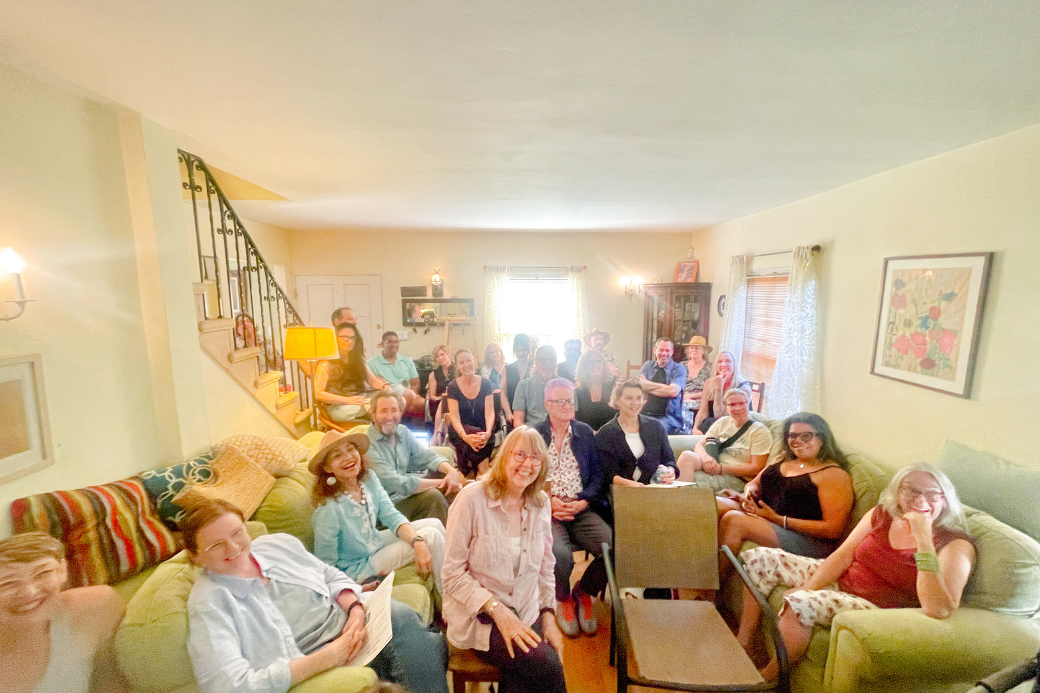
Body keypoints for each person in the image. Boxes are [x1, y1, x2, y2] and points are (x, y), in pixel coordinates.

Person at [736, 463, 976, 682]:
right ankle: (744, 642)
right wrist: (809, 585)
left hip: (876, 605)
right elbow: (844, 554)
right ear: (898, 492)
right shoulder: (882, 514)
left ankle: (764, 681)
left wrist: (924, 538)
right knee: (762, 558)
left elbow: (939, 608)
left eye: (932, 493)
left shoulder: (955, 544)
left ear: (945, 499)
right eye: (910, 490)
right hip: (846, 579)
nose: (920, 499)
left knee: (800, 603)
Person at [184, 499, 448, 693]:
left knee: (406, 621)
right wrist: (330, 655)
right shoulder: (209, 604)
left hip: (350, 627)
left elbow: (329, 574)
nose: (233, 547)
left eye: (237, 533)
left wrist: (355, 610)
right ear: (195, 556)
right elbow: (230, 686)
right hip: (314, 659)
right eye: (216, 545)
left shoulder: (276, 545)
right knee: (420, 649)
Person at [441, 427, 567, 693]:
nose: (527, 464)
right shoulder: (471, 499)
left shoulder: (540, 502)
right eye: (520, 454)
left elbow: (546, 566)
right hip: (481, 618)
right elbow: (451, 574)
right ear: (504, 457)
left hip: (526, 610)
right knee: (548, 666)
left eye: (536, 458)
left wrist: (548, 616)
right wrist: (498, 610)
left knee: (523, 678)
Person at [309, 431, 446, 595]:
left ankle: (454, 578)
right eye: (337, 455)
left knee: (435, 524)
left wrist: (416, 541)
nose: (348, 458)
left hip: (375, 543)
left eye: (350, 449)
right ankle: (449, 600)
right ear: (327, 468)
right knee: (431, 536)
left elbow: (391, 515)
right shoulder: (328, 510)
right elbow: (326, 565)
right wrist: (350, 589)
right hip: (357, 568)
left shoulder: (368, 479)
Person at [716, 413, 854, 560]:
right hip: (766, 515)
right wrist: (747, 495)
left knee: (734, 521)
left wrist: (777, 519)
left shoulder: (833, 475)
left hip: (805, 538)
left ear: (822, 439)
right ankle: (695, 566)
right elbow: (753, 483)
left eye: (806, 436)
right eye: (793, 436)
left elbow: (833, 529)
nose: (798, 441)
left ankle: (711, 582)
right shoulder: (782, 459)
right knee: (712, 505)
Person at [0, 532, 126, 693]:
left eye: (42, 573)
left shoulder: (96, 606)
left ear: (62, 571)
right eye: (8, 584)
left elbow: (116, 680)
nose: (29, 592)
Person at [535, 378, 611, 637]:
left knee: (613, 550)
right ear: (547, 404)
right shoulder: (534, 435)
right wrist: (549, 502)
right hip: (548, 511)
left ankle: (584, 591)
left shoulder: (584, 432)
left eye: (570, 400)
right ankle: (562, 597)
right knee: (560, 555)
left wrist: (583, 501)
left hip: (580, 508)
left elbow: (598, 476)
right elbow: (524, 477)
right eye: (561, 401)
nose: (568, 405)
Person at [366, 390, 464, 523]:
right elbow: (397, 484)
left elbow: (427, 456)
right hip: (385, 507)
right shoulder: (367, 445)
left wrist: (451, 471)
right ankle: (448, 536)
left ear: (400, 412)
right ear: (373, 415)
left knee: (444, 474)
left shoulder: (402, 431)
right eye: (383, 411)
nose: (390, 417)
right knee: (433, 495)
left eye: (394, 410)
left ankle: (458, 525)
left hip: (403, 496)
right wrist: (441, 484)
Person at [678, 388, 772, 492]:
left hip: (736, 477)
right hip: (714, 465)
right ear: (726, 407)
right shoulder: (722, 422)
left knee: (689, 481)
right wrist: (706, 458)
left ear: (748, 404)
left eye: (741, 403)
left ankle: (681, 501)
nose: (737, 408)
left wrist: (721, 469)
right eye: (732, 404)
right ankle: (680, 499)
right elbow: (699, 445)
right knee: (687, 456)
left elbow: (757, 468)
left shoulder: (759, 431)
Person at [595, 378, 678, 490]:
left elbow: (669, 460)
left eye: (639, 398)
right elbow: (608, 474)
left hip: (655, 492)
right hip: (620, 493)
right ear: (617, 401)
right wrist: (633, 486)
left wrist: (670, 472)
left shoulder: (656, 427)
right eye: (629, 398)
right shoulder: (606, 434)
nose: (635, 403)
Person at [315, 323, 391, 422]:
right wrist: (347, 400)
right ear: (335, 339)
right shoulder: (325, 364)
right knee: (379, 408)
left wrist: (386, 387)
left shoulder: (358, 360)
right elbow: (319, 394)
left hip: (360, 399)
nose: (350, 341)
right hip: (340, 406)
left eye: (352, 338)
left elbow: (372, 381)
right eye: (345, 337)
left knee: (395, 400)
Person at [445, 348, 496, 477]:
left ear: (475, 361)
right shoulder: (452, 387)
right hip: (460, 431)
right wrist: (466, 437)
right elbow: (454, 418)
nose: (466, 365)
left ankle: (466, 475)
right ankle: (482, 471)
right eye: (461, 362)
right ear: (456, 366)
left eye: (469, 360)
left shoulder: (486, 383)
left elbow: (490, 413)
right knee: (482, 465)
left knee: (478, 440)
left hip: (483, 433)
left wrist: (488, 433)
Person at [692, 350, 752, 434]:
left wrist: (718, 388)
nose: (724, 365)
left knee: (709, 423)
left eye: (728, 361)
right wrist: (695, 428)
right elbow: (703, 411)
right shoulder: (709, 383)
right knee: (705, 425)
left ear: (734, 365)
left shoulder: (742, 387)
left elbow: (720, 415)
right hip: (713, 426)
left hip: (735, 427)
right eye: (720, 361)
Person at [367, 331, 424, 416]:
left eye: (396, 342)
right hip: (385, 395)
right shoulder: (371, 364)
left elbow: (415, 383)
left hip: (407, 393)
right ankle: (394, 422)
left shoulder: (407, 361)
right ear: (382, 344)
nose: (393, 344)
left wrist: (411, 397)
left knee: (421, 402)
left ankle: (408, 427)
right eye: (389, 342)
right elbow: (371, 386)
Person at [637, 338, 686, 434]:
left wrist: (647, 386)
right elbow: (638, 385)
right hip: (643, 413)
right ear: (655, 350)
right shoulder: (648, 366)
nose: (664, 353)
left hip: (668, 418)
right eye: (661, 350)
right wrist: (665, 388)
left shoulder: (679, 369)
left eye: (667, 350)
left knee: (653, 430)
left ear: (672, 352)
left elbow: (672, 391)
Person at [512, 345, 557, 429]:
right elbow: (518, 421)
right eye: (543, 360)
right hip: (531, 434)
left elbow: (570, 419)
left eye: (551, 360)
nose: (548, 363)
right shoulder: (523, 386)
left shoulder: (565, 387)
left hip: (558, 434)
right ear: (536, 361)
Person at [573, 349, 617, 431]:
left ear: (603, 363)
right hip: (587, 436)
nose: (595, 365)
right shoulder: (578, 391)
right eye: (590, 362)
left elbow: (621, 415)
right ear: (583, 367)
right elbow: (575, 421)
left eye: (598, 361)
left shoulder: (614, 385)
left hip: (612, 435)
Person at [679, 336, 713, 434]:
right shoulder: (681, 366)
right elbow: (675, 385)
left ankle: (687, 439)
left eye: (697, 347)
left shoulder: (710, 368)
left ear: (704, 351)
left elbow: (710, 391)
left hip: (702, 402)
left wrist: (689, 396)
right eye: (691, 347)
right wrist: (683, 397)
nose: (693, 349)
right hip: (681, 399)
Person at [426, 345, 457, 440]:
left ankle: (437, 435)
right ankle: (443, 436)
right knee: (444, 402)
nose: (440, 358)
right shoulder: (433, 374)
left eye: (442, 354)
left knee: (448, 401)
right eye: (437, 356)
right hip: (439, 402)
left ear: (448, 354)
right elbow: (432, 396)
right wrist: (443, 398)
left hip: (457, 400)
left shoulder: (458, 369)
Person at [480, 342, 512, 423]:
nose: (495, 354)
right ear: (488, 355)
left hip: (508, 397)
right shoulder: (485, 369)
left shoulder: (509, 367)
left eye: (497, 351)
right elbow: (485, 387)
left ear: (501, 352)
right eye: (492, 352)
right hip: (493, 399)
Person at [503, 334, 533, 410]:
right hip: (512, 412)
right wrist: (508, 413)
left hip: (532, 413)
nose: (520, 353)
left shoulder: (535, 367)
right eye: (517, 350)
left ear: (528, 350)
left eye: (523, 350)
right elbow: (503, 395)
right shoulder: (507, 369)